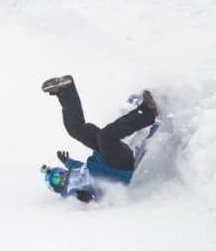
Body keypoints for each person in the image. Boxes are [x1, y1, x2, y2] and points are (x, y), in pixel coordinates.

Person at [40, 75, 159, 203]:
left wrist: (66, 161)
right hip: (117, 169)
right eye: (56, 180)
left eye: (58, 173)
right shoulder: (69, 191)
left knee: (76, 130)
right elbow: (80, 197)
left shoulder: (72, 173)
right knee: (105, 137)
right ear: (57, 188)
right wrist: (86, 197)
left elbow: (76, 165)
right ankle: (148, 113)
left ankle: (65, 90)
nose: (61, 177)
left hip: (103, 157)